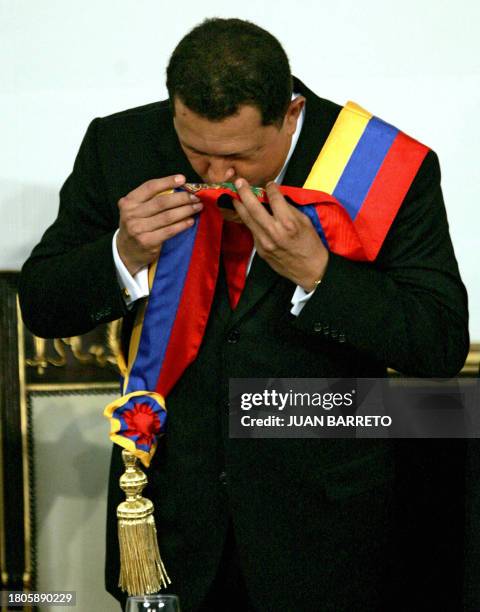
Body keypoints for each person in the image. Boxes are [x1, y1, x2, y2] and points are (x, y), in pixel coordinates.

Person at [19, 17, 469, 612]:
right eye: (195, 151)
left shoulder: (388, 163)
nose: (216, 175)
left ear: (289, 113)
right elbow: (45, 304)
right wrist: (123, 253)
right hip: (170, 514)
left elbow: (438, 345)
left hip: (322, 525)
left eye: (239, 155)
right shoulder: (120, 144)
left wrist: (319, 274)